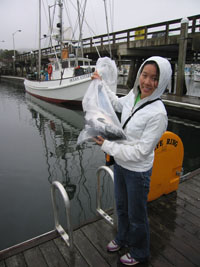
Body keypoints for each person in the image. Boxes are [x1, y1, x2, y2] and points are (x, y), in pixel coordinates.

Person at [92, 56, 172, 265]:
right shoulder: (134, 94)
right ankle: (123, 238)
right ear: (138, 75)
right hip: (120, 164)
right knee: (121, 207)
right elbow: (118, 103)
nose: (147, 82)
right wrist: (101, 84)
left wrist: (107, 146)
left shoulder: (158, 114)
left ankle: (140, 251)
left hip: (137, 172)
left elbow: (141, 152)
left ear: (161, 82)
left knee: (137, 215)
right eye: (144, 75)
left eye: (154, 78)